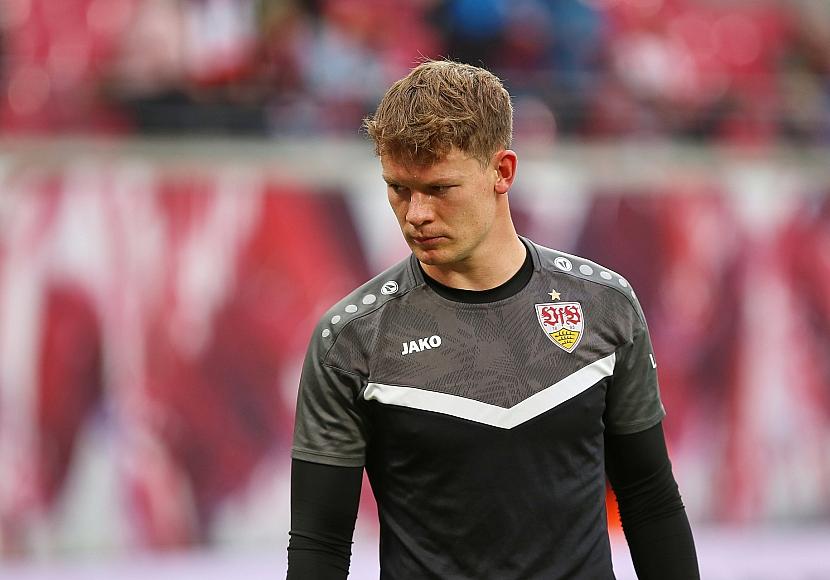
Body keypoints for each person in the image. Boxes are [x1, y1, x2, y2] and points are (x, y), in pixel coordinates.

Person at [287, 59, 699, 579]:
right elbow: (320, 544)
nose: (415, 214)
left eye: (439, 189)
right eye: (398, 188)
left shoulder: (604, 306)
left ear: (502, 172)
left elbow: (649, 498)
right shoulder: (350, 340)